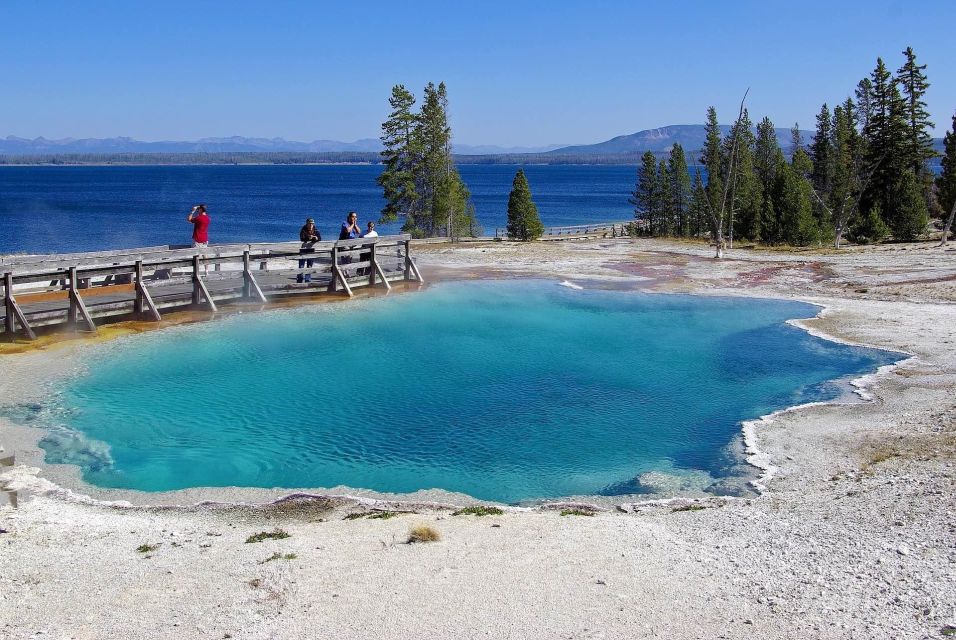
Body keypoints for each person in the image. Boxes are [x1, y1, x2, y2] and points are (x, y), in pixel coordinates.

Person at [297, 218, 321, 283]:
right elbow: (302, 238)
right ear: (307, 223)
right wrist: (308, 238)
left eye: (312, 224)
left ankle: (307, 281)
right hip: (303, 251)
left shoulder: (315, 229)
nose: (311, 225)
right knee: (301, 266)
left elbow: (320, 238)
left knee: (309, 266)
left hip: (311, 250)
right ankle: (299, 280)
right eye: (309, 224)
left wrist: (316, 238)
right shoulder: (303, 229)